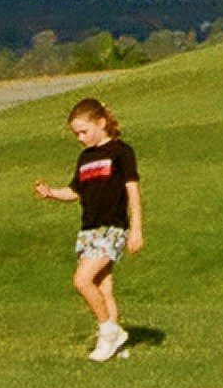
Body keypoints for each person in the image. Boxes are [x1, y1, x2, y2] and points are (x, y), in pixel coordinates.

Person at [34, 97, 144, 360]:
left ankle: (108, 332)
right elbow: (75, 192)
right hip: (89, 231)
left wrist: (137, 229)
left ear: (101, 123)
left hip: (112, 228)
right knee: (103, 288)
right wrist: (51, 193)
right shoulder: (84, 158)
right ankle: (114, 344)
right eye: (76, 134)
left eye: (84, 131)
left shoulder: (121, 152)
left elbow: (133, 191)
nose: (80, 138)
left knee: (82, 281)